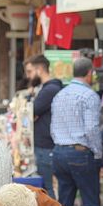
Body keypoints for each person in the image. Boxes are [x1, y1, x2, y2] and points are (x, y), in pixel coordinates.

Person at [50, 56, 103, 206]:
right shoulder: (89, 96)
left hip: (59, 150)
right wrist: (98, 153)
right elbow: (91, 128)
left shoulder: (59, 95)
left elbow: (53, 126)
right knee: (91, 205)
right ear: (90, 73)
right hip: (80, 151)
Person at [25, 53, 64, 195]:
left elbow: (30, 111)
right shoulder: (46, 88)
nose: (28, 76)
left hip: (45, 146)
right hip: (45, 145)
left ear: (40, 69)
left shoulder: (50, 90)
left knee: (47, 188)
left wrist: (33, 112)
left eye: (30, 71)